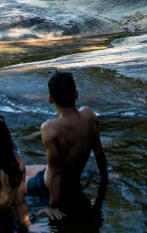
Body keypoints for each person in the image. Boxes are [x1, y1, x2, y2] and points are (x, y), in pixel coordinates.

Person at [24, 71, 109, 220]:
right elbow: (99, 153)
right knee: (22, 169)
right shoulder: (89, 115)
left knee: (9, 179)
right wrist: (105, 177)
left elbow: (56, 173)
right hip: (71, 181)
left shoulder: (50, 128)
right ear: (76, 94)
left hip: (46, 186)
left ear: (50, 99)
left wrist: (53, 206)